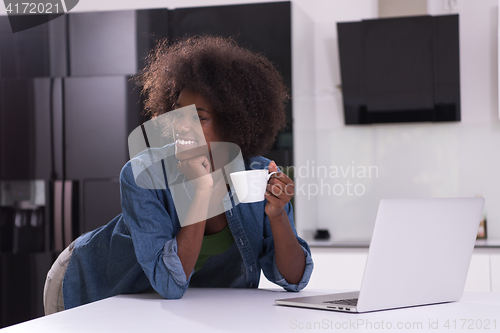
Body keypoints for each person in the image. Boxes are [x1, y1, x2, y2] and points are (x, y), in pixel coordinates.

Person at [43, 35, 314, 315]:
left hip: (179, 311)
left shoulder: (256, 174)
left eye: (199, 117)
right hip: (89, 286)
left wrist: (278, 214)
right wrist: (201, 192)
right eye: (179, 114)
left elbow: (294, 280)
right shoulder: (144, 173)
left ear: (233, 124)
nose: (182, 127)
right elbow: (170, 284)